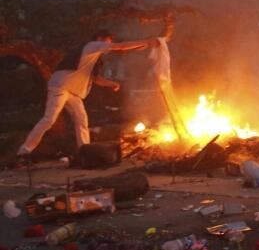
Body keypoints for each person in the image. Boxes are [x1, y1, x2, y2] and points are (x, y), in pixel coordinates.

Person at [17, 30, 156, 160]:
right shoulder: (92, 46)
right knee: (49, 119)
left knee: (82, 120)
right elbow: (120, 47)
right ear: (100, 39)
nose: (109, 44)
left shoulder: (94, 59)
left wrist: (112, 84)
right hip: (60, 86)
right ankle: (24, 152)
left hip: (72, 92)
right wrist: (147, 42)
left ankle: (85, 152)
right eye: (108, 40)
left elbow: (95, 79)